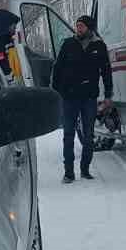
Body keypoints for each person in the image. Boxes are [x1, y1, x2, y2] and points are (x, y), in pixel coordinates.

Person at [49, 14, 113, 183]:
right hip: (69, 97)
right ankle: (68, 173)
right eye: (77, 26)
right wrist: (55, 91)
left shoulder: (99, 46)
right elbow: (57, 68)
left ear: (89, 28)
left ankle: (85, 169)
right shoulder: (68, 44)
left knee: (88, 135)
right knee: (68, 134)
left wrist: (108, 94)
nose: (78, 29)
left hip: (89, 97)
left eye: (81, 26)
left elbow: (106, 71)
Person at [0, 9, 20, 78]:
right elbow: (4, 70)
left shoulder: (8, 42)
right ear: (4, 26)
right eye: (13, 26)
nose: (15, 28)